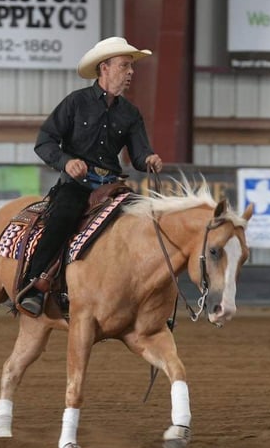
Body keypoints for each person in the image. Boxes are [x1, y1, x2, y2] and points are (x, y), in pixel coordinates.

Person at [18, 36, 164, 316]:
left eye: (131, 67)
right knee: (62, 218)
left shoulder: (131, 114)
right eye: (125, 66)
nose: (131, 72)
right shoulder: (75, 103)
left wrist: (149, 159)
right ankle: (34, 285)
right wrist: (66, 161)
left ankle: (146, 296)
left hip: (111, 186)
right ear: (104, 68)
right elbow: (45, 141)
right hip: (76, 186)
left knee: (146, 220)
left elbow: (139, 154)